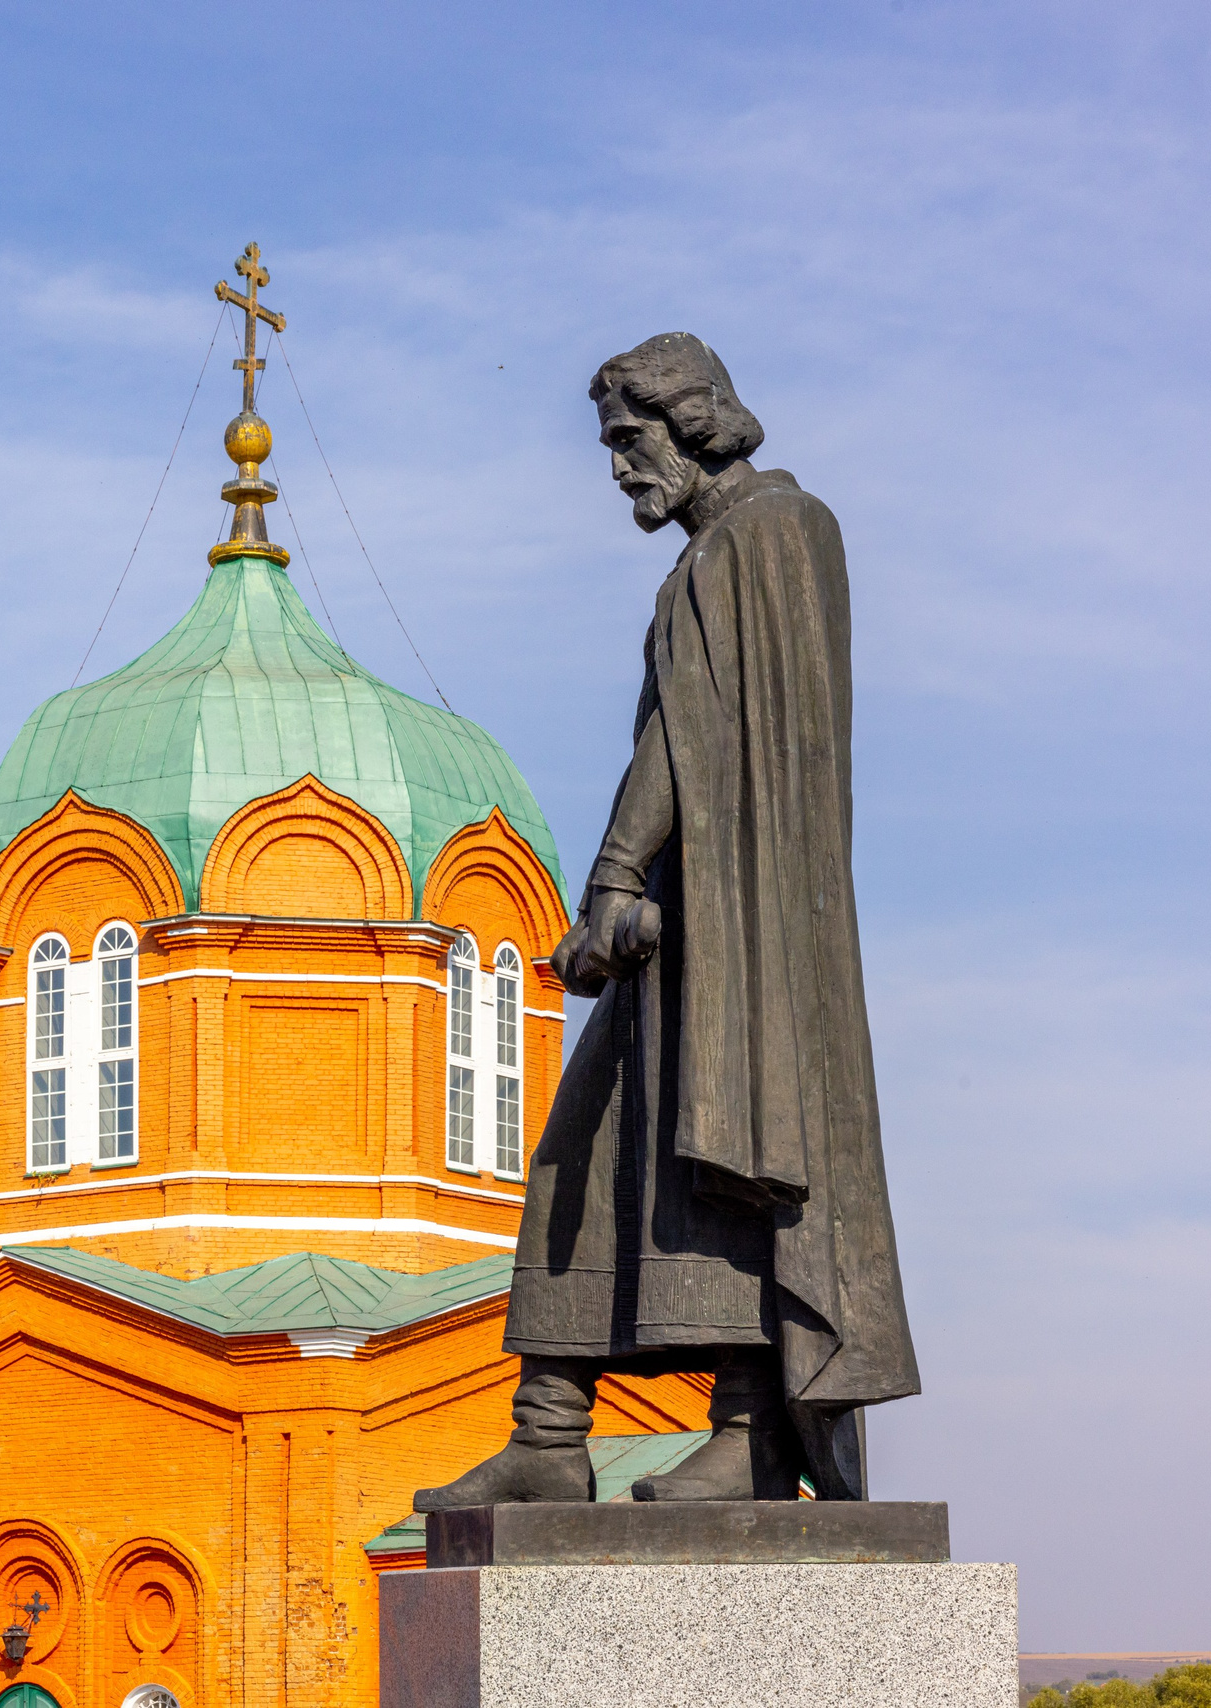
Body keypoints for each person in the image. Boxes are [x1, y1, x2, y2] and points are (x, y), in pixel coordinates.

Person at [415, 334, 918, 1508]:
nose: (617, 471)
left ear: (689, 424)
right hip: (699, 918)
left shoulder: (757, 538)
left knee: (734, 1152)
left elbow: (686, 734)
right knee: (584, 1150)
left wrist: (612, 878)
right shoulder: (748, 548)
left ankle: (750, 1429)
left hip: (734, 930)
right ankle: (548, 1435)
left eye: (627, 442)